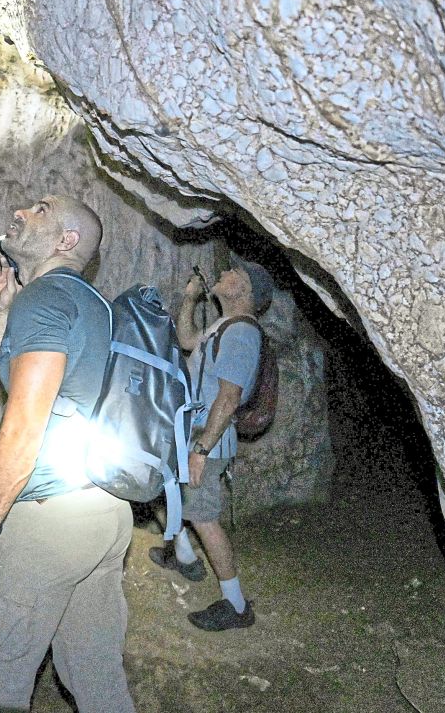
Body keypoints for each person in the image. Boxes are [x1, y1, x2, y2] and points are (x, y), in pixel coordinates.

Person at [0, 194, 137, 713]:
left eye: (40, 209)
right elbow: (40, 387)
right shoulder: (95, 306)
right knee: (97, 678)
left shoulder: (44, 301)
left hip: (47, 522)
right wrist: (1, 315)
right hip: (103, 510)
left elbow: (23, 425)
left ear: (67, 240)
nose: (19, 213)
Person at [148, 261, 273, 631]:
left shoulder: (242, 333)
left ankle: (236, 604)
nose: (224, 274)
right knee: (166, 489)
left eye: (235, 274)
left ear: (246, 291)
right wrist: (190, 300)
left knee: (203, 516)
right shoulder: (224, 325)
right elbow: (187, 341)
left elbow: (229, 397)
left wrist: (201, 450)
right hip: (193, 431)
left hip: (208, 439)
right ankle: (184, 556)